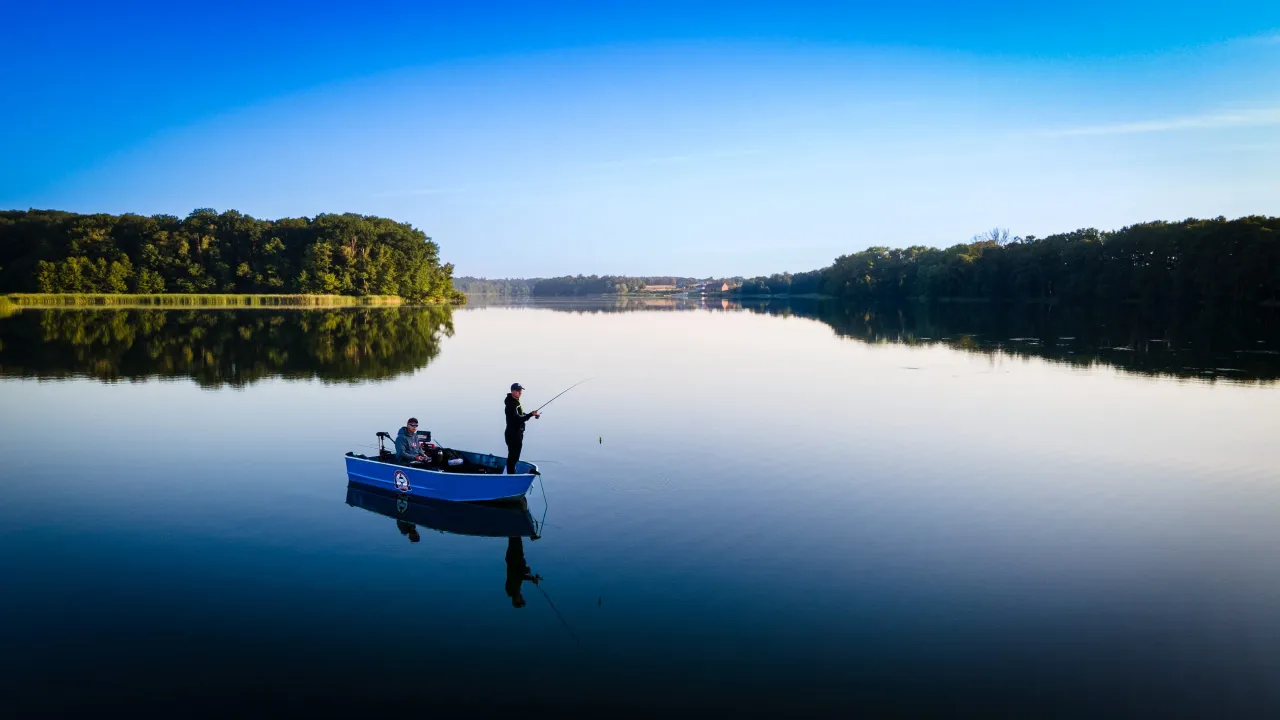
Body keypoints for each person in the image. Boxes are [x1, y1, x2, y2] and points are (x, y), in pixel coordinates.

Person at [504, 383, 539, 474]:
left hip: (517, 433)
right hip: (513, 434)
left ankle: (511, 473)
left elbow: (521, 415)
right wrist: (530, 415)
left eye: (521, 391)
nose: (520, 393)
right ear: (512, 391)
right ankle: (511, 476)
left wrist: (532, 414)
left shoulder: (515, 402)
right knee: (513, 457)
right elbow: (517, 419)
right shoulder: (511, 405)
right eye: (518, 391)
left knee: (514, 456)